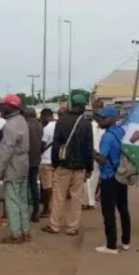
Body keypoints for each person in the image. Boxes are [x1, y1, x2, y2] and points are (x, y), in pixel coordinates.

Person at [44, 94, 94, 236]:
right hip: (79, 167)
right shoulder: (86, 124)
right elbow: (88, 148)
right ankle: (72, 227)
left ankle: (54, 225)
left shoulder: (62, 121)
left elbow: (56, 144)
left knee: (59, 196)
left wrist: (55, 163)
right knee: (76, 198)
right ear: (83, 106)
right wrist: (89, 168)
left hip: (63, 165)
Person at [0, 95, 31, 244]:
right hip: (23, 164)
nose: (0, 108)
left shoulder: (10, 125)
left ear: (10, 106)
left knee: (12, 201)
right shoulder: (22, 121)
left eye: (2, 105)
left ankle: (16, 234)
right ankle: (25, 232)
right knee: (22, 201)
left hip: (13, 166)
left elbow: (5, 153)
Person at [92, 106, 130, 254]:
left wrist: (93, 154)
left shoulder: (107, 136)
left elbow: (102, 159)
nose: (100, 120)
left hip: (109, 177)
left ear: (113, 119)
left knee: (108, 212)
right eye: (100, 117)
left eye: (104, 118)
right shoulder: (121, 132)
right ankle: (126, 241)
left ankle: (111, 245)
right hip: (121, 175)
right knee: (123, 209)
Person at [24, 107, 43, 223]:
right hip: (36, 159)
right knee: (34, 186)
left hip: (25, 159)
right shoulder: (39, 126)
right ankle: (35, 212)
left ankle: (25, 212)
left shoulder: (25, 125)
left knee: (24, 187)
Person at [84, 100, 103, 211]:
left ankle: (91, 200)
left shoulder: (97, 125)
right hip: (94, 154)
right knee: (92, 178)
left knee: (94, 178)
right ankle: (90, 201)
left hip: (98, 154)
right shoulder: (92, 125)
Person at [37, 108, 56, 218]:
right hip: (56, 160)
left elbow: (42, 145)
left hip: (46, 160)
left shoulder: (47, 128)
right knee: (54, 186)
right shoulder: (59, 126)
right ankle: (54, 209)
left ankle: (46, 210)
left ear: (44, 116)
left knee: (47, 187)